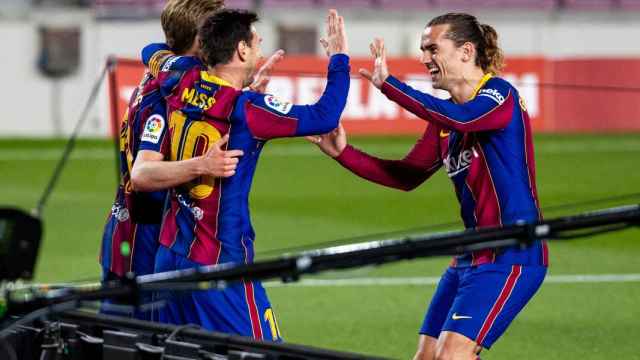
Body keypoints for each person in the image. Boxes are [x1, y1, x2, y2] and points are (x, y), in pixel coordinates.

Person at [309, 13, 548, 360]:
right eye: (423, 49)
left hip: (513, 255)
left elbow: (463, 118)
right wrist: (344, 153)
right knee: (427, 357)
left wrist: (390, 85)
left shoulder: (499, 95)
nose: (424, 58)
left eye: (433, 48)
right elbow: (405, 177)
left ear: (466, 52)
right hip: (470, 255)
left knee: (451, 355)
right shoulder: (444, 123)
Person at [147, 8, 350, 340]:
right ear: (241, 50)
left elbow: (151, 54)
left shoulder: (179, 81)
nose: (260, 48)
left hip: (168, 256)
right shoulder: (247, 109)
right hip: (220, 264)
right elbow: (325, 116)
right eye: (256, 42)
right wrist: (339, 58)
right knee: (265, 350)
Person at [99, 0, 235, 319]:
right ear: (202, 41)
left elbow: (153, 49)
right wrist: (202, 166)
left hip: (134, 230)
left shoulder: (165, 74)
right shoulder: (167, 97)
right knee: (139, 342)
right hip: (144, 238)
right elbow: (143, 173)